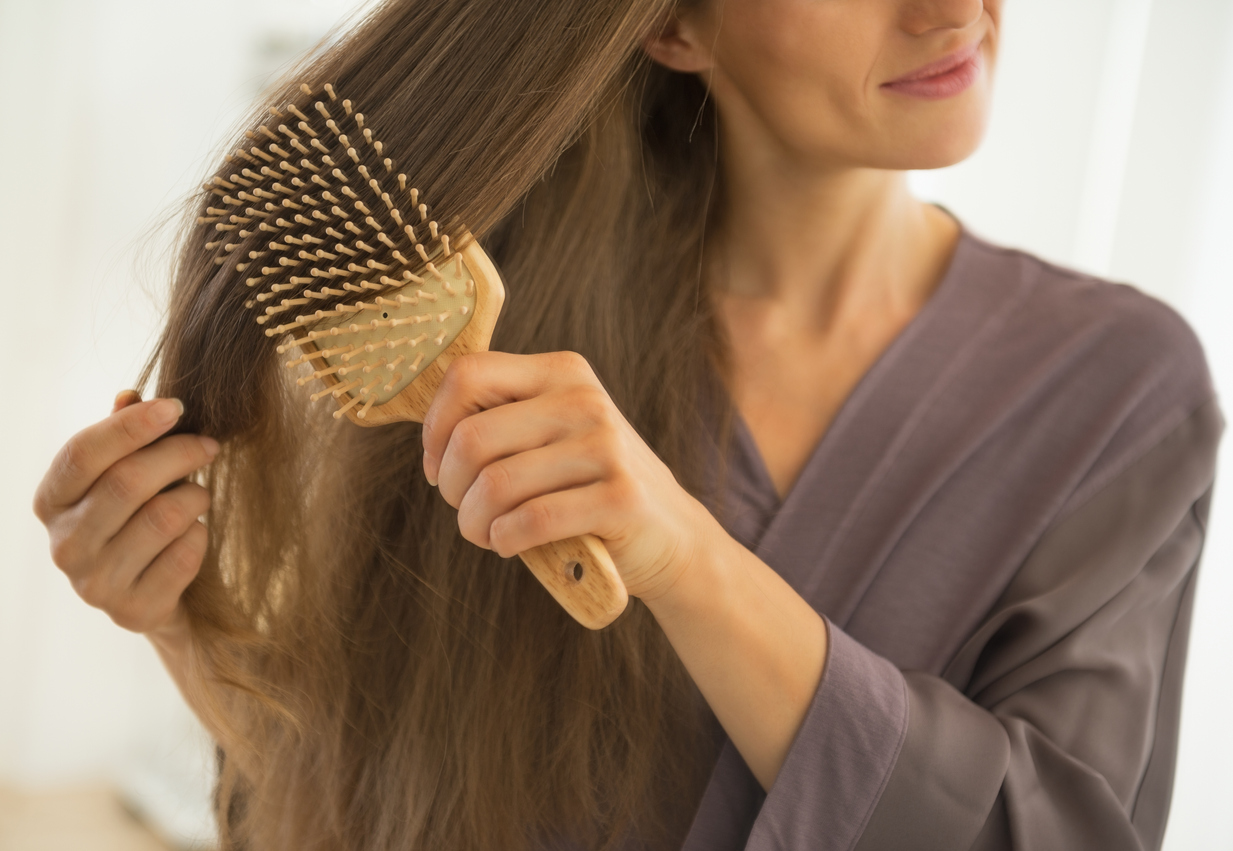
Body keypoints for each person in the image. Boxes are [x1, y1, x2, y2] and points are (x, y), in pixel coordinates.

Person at [32, 0, 1221, 849]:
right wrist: (182, 626)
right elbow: (364, 806)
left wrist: (688, 560)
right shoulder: (505, 351)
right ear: (671, 26)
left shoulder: (1117, 385)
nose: (952, 10)